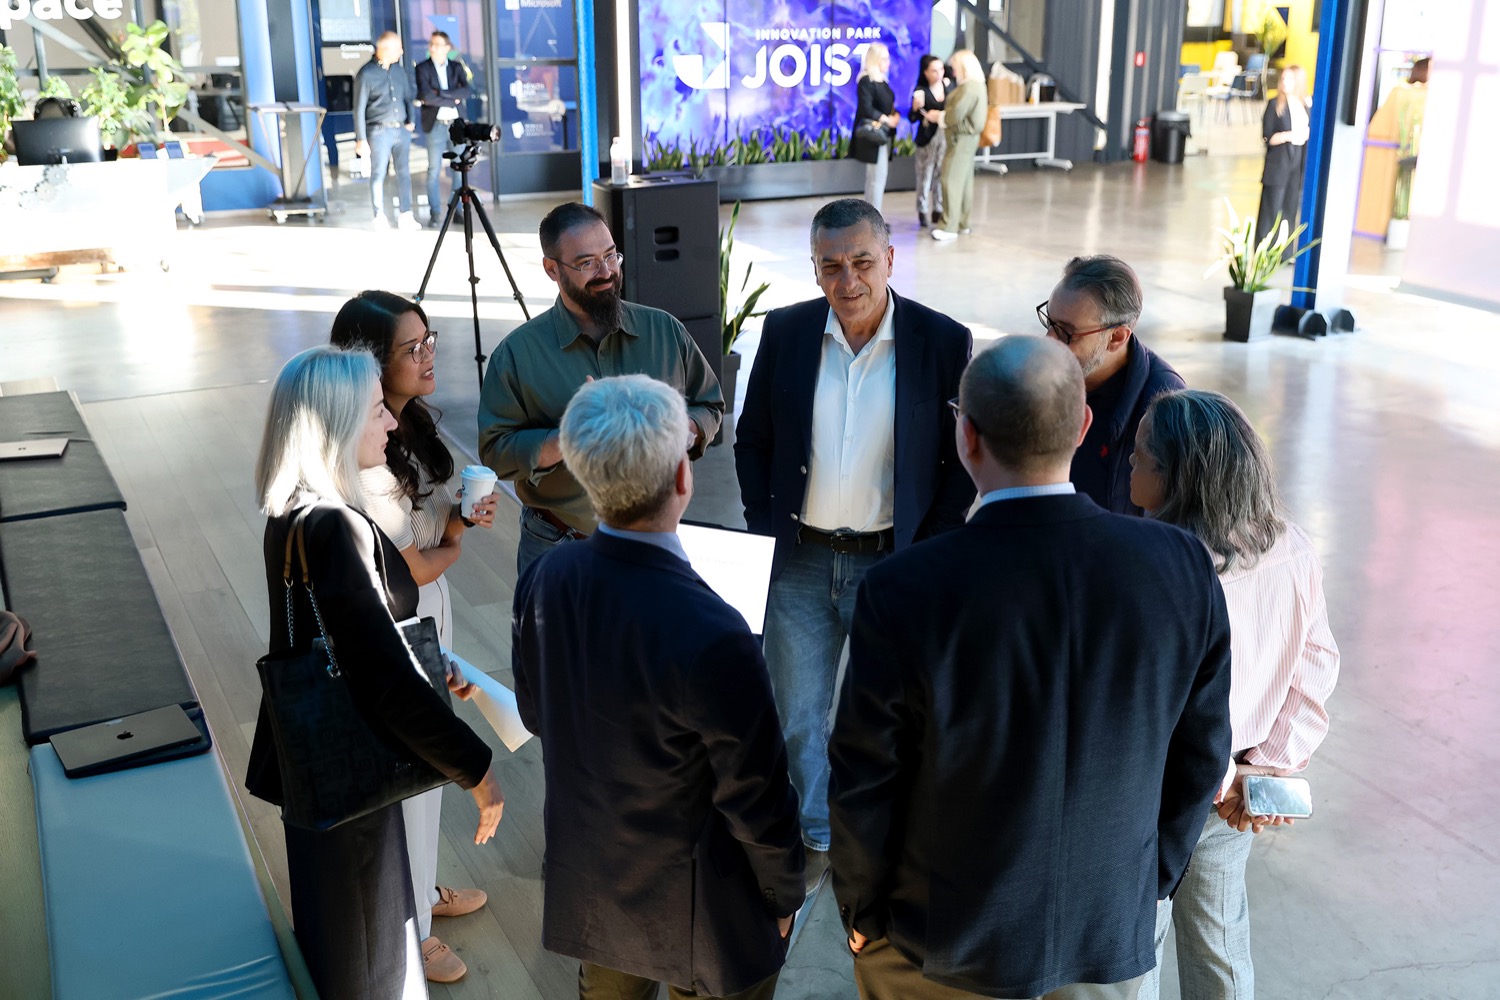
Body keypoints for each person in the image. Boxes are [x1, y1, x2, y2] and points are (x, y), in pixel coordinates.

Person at [828, 335, 1233, 1000]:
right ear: (1082, 425)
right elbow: (1203, 753)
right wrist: (1147, 883)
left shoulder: (904, 588)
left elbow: (865, 778)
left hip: (939, 942)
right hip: (1106, 937)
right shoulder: (1181, 567)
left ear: (966, 436)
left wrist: (863, 912)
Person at [512, 374, 804, 1000]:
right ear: (682, 477)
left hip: (594, 885)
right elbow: (756, 798)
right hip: (703, 912)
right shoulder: (717, 632)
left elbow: (537, 714)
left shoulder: (544, 579)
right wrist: (783, 893)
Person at [246, 345, 505, 1000]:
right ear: (334, 425)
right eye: (374, 411)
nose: (391, 422)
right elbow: (380, 680)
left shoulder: (291, 514)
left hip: (319, 768)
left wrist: (434, 663)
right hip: (354, 773)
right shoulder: (336, 526)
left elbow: (337, 641)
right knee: (372, 964)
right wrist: (477, 772)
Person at [735, 198, 973, 884]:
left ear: (890, 260)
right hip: (801, 560)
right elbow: (753, 439)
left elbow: (960, 461)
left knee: (893, 715)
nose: (848, 281)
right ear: (814, 269)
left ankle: (884, 833)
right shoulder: (785, 331)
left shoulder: (943, 340)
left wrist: (929, 551)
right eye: (831, 266)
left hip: (892, 566)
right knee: (798, 714)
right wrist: (764, 523)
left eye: (862, 262)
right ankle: (817, 833)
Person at [1130, 390, 1340, 1000]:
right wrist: (1263, 769)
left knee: (1136, 949)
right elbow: (1316, 666)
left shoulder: (1160, 570)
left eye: (1140, 455)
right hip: (1233, 800)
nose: (1129, 464)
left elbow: (1159, 706)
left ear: (1174, 478)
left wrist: (1223, 777)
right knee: (1219, 941)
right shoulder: (1292, 548)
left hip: (1157, 796)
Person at [329, 291, 504, 984]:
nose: (430, 356)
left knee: (426, 774)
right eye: (413, 348)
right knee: (413, 765)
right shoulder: (363, 453)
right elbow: (408, 566)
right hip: (399, 616)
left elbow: (426, 536)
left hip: (429, 604)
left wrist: (458, 517)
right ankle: (411, 930)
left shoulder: (408, 426)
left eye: (431, 340)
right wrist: (452, 543)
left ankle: (422, 891)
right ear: (371, 364)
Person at [477, 201, 724, 577]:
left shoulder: (665, 330)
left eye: (611, 255)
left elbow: (710, 405)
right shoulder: (515, 355)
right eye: (587, 263)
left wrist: (677, 429)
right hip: (559, 544)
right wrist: (567, 439)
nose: (607, 272)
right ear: (552, 269)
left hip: (657, 542)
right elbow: (495, 452)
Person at [1039, 254, 1183, 515]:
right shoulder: (1048, 369)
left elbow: (1165, 521)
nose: (1049, 339)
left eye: (1066, 332)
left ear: (1117, 337)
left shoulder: (1162, 410)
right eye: (1050, 321)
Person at [354, 31, 422, 230]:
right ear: (384, 49)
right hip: (378, 131)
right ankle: (379, 214)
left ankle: (406, 214)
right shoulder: (366, 74)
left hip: (401, 130)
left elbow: (408, 97)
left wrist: (411, 121)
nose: (401, 52)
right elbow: (358, 108)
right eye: (398, 48)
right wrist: (361, 139)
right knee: (378, 173)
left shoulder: (399, 71)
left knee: (404, 173)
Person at [415, 32, 473, 228]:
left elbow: (466, 91)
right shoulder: (422, 68)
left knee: (458, 168)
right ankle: (435, 213)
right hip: (436, 125)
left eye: (438, 44)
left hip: (456, 125)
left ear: (448, 48)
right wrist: (451, 98)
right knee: (434, 170)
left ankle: (457, 211)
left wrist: (441, 93)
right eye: (431, 44)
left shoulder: (456, 67)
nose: (433, 47)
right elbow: (426, 96)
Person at [930, 50, 985, 242]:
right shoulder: (977, 85)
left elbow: (955, 115)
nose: (952, 71)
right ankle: (962, 223)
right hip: (967, 139)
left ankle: (949, 226)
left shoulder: (969, 88)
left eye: (954, 67)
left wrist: (938, 117)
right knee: (963, 182)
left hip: (960, 139)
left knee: (950, 180)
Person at [1255, 64, 1310, 250]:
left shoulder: (1304, 105)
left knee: (1289, 209)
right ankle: (1263, 250)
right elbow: (1267, 136)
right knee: (1270, 210)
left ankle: (1285, 252)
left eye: (1290, 79)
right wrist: (1289, 135)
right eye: (1283, 78)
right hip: (1279, 163)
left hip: (1297, 161)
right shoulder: (1275, 104)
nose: (1285, 82)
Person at [855, 42, 900, 213]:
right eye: (884, 59)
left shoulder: (882, 80)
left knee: (876, 178)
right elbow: (866, 108)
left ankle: (872, 216)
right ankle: (874, 218)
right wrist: (887, 120)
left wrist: (894, 117)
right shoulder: (867, 80)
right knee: (876, 179)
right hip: (874, 135)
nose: (888, 62)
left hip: (884, 134)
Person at [909, 54, 949, 229]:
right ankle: (922, 210)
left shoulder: (948, 87)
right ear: (925, 72)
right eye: (934, 70)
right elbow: (912, 118)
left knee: (942, 174)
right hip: (927, 138)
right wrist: (915, 108)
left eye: (941, 69)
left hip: (945, 137)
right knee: (925, 175)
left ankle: (938, 209)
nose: (939, 74)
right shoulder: (921, 91)